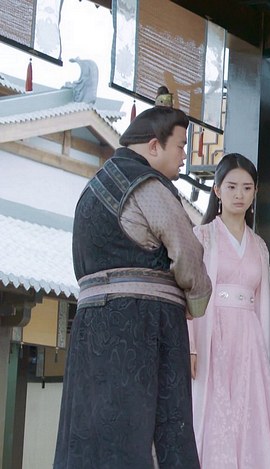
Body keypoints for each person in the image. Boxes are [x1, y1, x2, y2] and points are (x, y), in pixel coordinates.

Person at [55, 106, 212, 468]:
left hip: (90, 330)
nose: (184, 156)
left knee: (91, 431)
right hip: (143, 328)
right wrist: (195, 302)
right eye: (180, 145)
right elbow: (188, 254)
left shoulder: (90, 189)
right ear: (154, 146)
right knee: (149, 433)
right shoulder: (148, 186)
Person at [187, 153, 270, 468]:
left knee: (250, 413)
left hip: (248, 341)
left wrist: (266, 352)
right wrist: (191, 346)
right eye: (231, 186)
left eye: (247, 188)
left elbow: (264, 305)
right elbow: (190, 293)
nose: (239, 195)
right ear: (217, 189)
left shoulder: (259, 246)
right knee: (213, 411)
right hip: (211, 336)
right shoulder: (202, 236)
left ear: (255, 192)